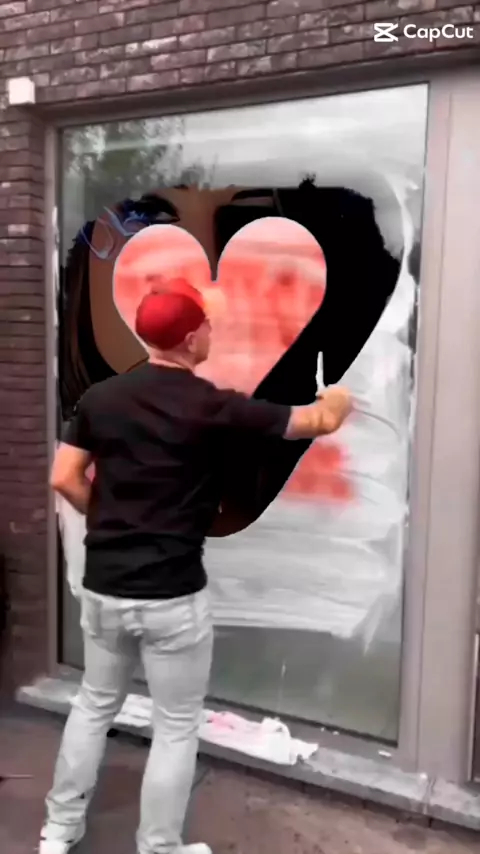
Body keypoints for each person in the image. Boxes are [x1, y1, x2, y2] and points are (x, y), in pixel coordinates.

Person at [41, 285, 352, 854]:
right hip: (172, 597)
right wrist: (338, 399)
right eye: (206, 326)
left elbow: (64, 477)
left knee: (93, 705)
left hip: (105, 588)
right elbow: (317, 421)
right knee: (176, 726)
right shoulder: (212, 405)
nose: (212, 332)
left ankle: (57, 833)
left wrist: (106, 516)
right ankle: (158, 847)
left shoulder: (101, 399)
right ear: (189, 340)